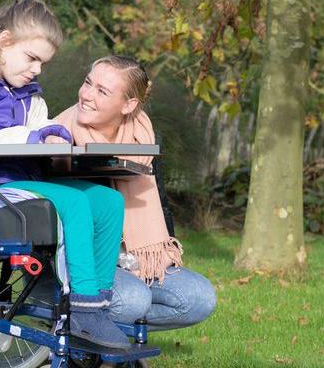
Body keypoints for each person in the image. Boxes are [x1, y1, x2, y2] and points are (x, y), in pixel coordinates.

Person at [0, 0, 130, 348]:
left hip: (22, 180)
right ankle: (83, 311)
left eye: (43, 63)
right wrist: (29, 136)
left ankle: (99, 303)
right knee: (75, 205)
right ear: (5, 42)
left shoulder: (22, 85)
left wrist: (52, 133)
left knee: (109, 202)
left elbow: (37, 125)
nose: (37, 70)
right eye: (32, 58)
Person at [55, 55, 216, 331]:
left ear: (128, 105)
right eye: (88, 83)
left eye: (102, 91)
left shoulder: (143, 138)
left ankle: (102, 332)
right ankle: (88, 338)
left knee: (199, 298)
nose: (86, 95)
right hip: (82, 263)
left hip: (134, 257)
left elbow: (161, 203)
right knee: (133, 299)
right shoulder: (58, 136)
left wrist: (154, 258)